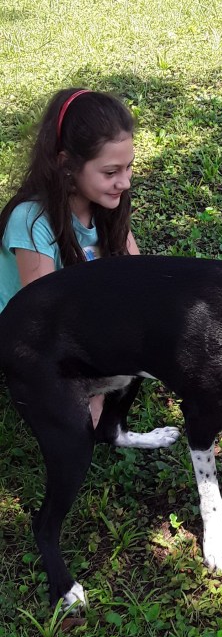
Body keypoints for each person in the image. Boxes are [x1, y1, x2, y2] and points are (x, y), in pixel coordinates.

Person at [0, 87, 139, 422]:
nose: (124, 183)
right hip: (25, 330)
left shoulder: (107, 206)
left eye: (129, 168)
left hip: (79, 317)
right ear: (66, 165)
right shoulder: (31, 220)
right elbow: (45, 319)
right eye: (111, 172)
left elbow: (138, 279)